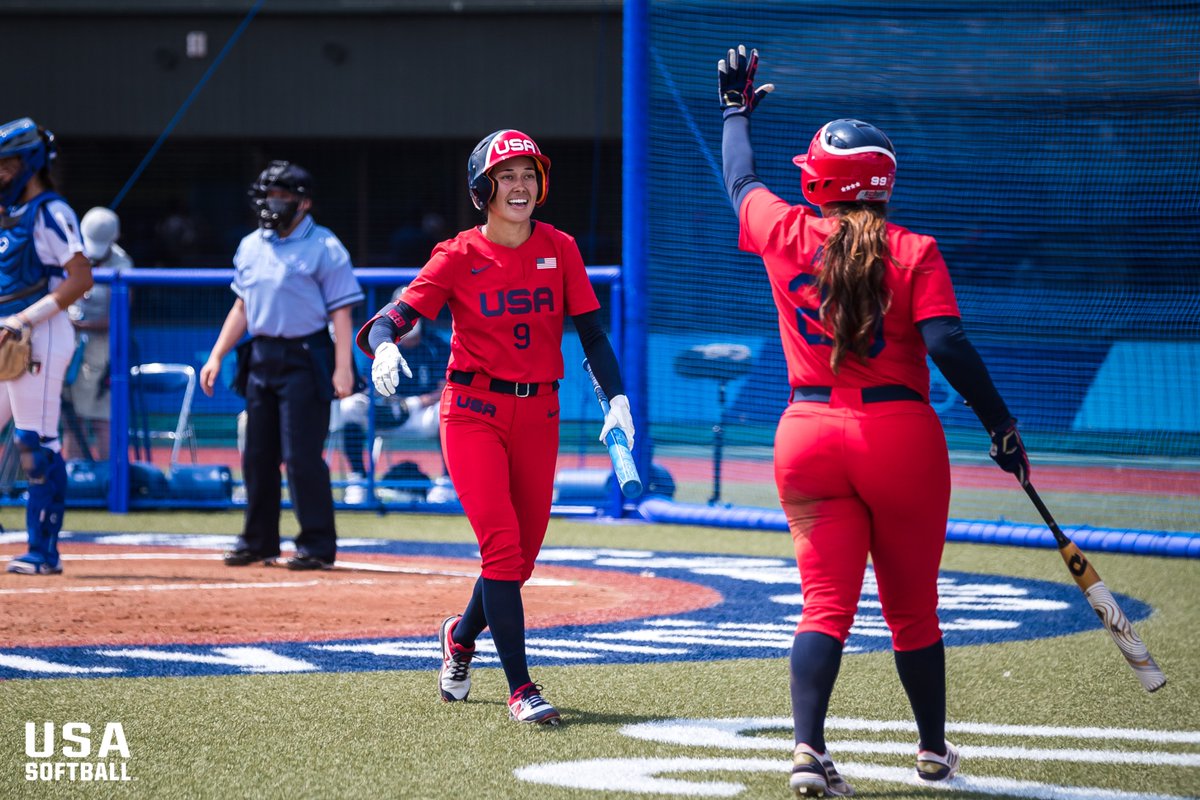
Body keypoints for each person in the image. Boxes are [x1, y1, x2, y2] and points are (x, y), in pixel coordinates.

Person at [716, 46, 1030, 796]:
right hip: (898, 439)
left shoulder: (785, 230)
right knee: (912, 611)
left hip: (807, 433)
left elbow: (740, 179)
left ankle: (806, 751)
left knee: (824, 604)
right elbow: (947, 342)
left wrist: (734, 110)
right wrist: (1002, 427)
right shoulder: (914, 249)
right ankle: (928, 751)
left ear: (820, 181)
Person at [358, 129, 634, 726]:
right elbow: (392, 317)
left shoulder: (560, 247)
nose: (520, 185)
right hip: (473, 412)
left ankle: (459, 637)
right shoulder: (456, 254)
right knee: (502, 548)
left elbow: (591, 334)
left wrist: (617, 399)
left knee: (520, 560)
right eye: (507, 175)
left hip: (541, 412)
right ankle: (522, 688)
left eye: (529, 175)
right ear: (483, 188)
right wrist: (382, 347)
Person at [199, 160, 363, 571]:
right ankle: (258, 540)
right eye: (268, 195)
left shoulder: (326, 247)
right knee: (257, 454)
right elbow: (242, 305)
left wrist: (343, 368)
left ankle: (316, 545)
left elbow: (342, 313)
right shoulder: (251, 245)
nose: (272, 204)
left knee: (302, 455)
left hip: (306, 356)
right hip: (261, 356)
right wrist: (218, 354)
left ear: (304, 203)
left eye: (283, 197)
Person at [0, 118, 95, 575]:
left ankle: (43, 551)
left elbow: (81, 278)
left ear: (29, 162)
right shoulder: (8, 214)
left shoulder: (51, 211)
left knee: (34, 441)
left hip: (41, 332)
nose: (1, 171)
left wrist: (23, 320)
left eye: (8, 163)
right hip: (7, 334)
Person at [336, 284, 449, 505]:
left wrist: (419, 402)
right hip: (384, 412)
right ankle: (358, 480)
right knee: (350, 407)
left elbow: (445, 386)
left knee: (447, 410)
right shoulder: (378, 340)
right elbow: (365, 386)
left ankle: (446, 483)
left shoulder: (435, 345)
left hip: (421, 413)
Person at [61, 207, 134, 463]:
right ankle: (75, 483)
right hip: (69, 347)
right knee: (72, 418)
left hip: (104, 351)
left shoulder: (123, 263)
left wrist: (83, 325)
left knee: (102, 418)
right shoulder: (71, 254)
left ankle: (109, 482)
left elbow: (119, 316)